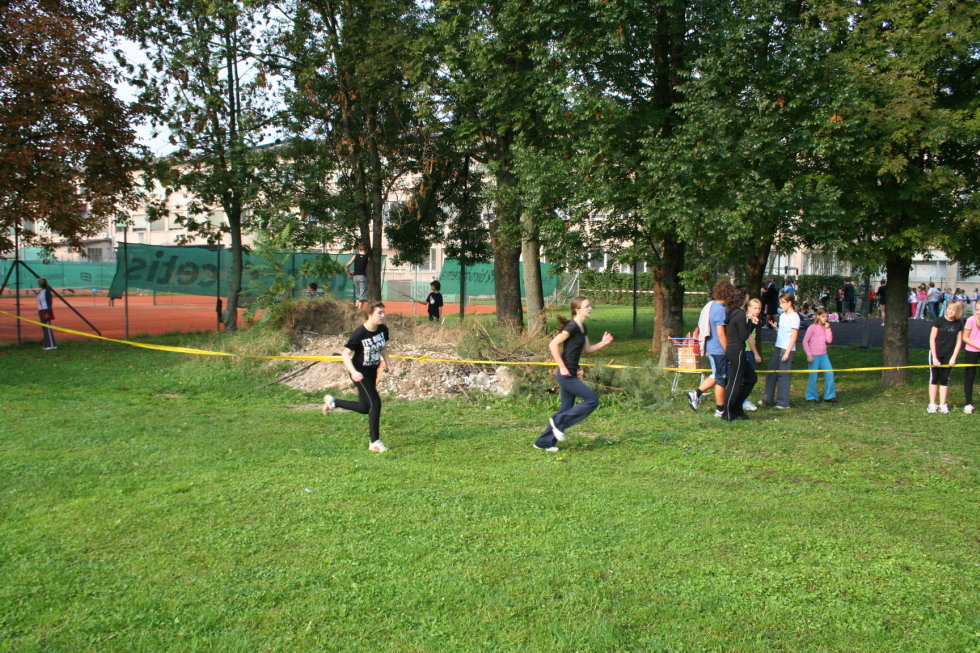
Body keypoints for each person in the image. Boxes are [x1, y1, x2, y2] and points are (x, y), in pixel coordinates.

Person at [534, 297, 614, 452]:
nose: (590, 308)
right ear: (577, 310)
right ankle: (559, 421)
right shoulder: (572, 327)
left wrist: (603, 343)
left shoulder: (582, 327)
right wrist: (562, 367)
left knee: (566, 407)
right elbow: (553, 344)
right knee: (592, 400)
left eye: (590, 305)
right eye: (587, 306)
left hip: (571, 372)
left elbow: (587, 349)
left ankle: (543, 442)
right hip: (566, 374)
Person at [322, 301, 397, 452]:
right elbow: (345, 354)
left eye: (384, 312)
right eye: (379, 313)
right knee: (375, 403)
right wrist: (354, 372)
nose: (383, 315)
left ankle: (333, 403)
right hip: (359, 373)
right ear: (370, 314)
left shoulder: (383, 329)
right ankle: (374, 443)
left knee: (364, 408)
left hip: (372, 372)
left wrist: (389, 365)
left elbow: (383, 348)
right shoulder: (359, 333)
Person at [687, 280, 733, 416]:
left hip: (711, 348)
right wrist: (728, 350)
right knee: (721, 380)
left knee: (715, 374)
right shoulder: (720, 310)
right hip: (719, 350)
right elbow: (720, 333)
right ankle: (720, 409)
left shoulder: (712, 305)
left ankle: (695, 394)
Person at [721, 289, 760, 421]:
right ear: (742, 298)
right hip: (736, 351)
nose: (748, 297)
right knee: (735, 383)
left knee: (751, 378)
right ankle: (727, 412)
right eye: (747, 296)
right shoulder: (739, 314)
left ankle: (737, 407)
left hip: (736, 351)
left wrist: (751, 324)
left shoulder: (734, 313)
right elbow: (744, 335)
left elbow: (743, 333)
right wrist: (751, 323)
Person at [763, 293, 800, 409]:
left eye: (783, 303)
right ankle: (767, 399)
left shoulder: (794, 317)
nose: (781, 305)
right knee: (771, 372)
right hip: (778, 346)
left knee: (783, 375)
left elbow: (794, 336)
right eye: (780, 302)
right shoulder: (783, 315)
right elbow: (783, 332)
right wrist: (775, 327)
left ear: (789, 303)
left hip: (786, 348)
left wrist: (787, 352)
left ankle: (783, 403)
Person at [927, 300, 963, 414]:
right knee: (934, 378)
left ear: (958, 311)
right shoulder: (938, 321)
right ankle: (932, 404)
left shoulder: (959, 324)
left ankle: (942, 404)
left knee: (945, 379)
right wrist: (934, 357)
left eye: (953, 310)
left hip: (949, 354)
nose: (950, 311)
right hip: (936, 353)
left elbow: (959, 342)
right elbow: (932, 339)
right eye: (949, 308)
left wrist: (953, 357)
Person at [803, 308, 836, 403]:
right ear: (818, 316)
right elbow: (805, 341)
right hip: (813, 355)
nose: (825, 318)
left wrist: (828, 329)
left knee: (830, 374)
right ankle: (811, 396)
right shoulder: (812, 327)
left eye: (826, 316)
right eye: (823, 316)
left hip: (823, 355)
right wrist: (809, 355)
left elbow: (829, 340)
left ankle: (829, 396)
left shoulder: (825, 328)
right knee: (813, 376)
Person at [961, 305, 980, 414]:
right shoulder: (971, 320)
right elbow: (965, 337)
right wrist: (978, 346)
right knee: (970, 376)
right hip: (971, 351)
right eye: (977, 309)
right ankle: (968, 403)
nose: (978, 311)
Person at [345, 242, 370, 311]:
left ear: (359, 249)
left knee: (358, 294)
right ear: (366, 250)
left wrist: (349, 274)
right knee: (362, 294)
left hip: (355, 277)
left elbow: (347, 266)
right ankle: (359, 311)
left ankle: (355, 310)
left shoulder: (355, 256)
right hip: (362, 277)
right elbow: (365, 269)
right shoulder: (367, 258)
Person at [36, 277, 56, 350]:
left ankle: (52, 345)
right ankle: (47, 344)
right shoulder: (40, 291)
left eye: (39, 283)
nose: (38, 284)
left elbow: (49, 302)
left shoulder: (47, 291)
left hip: (45, 310)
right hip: (41, 310)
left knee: (47, 328)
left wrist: (48, 312)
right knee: (44, 328)